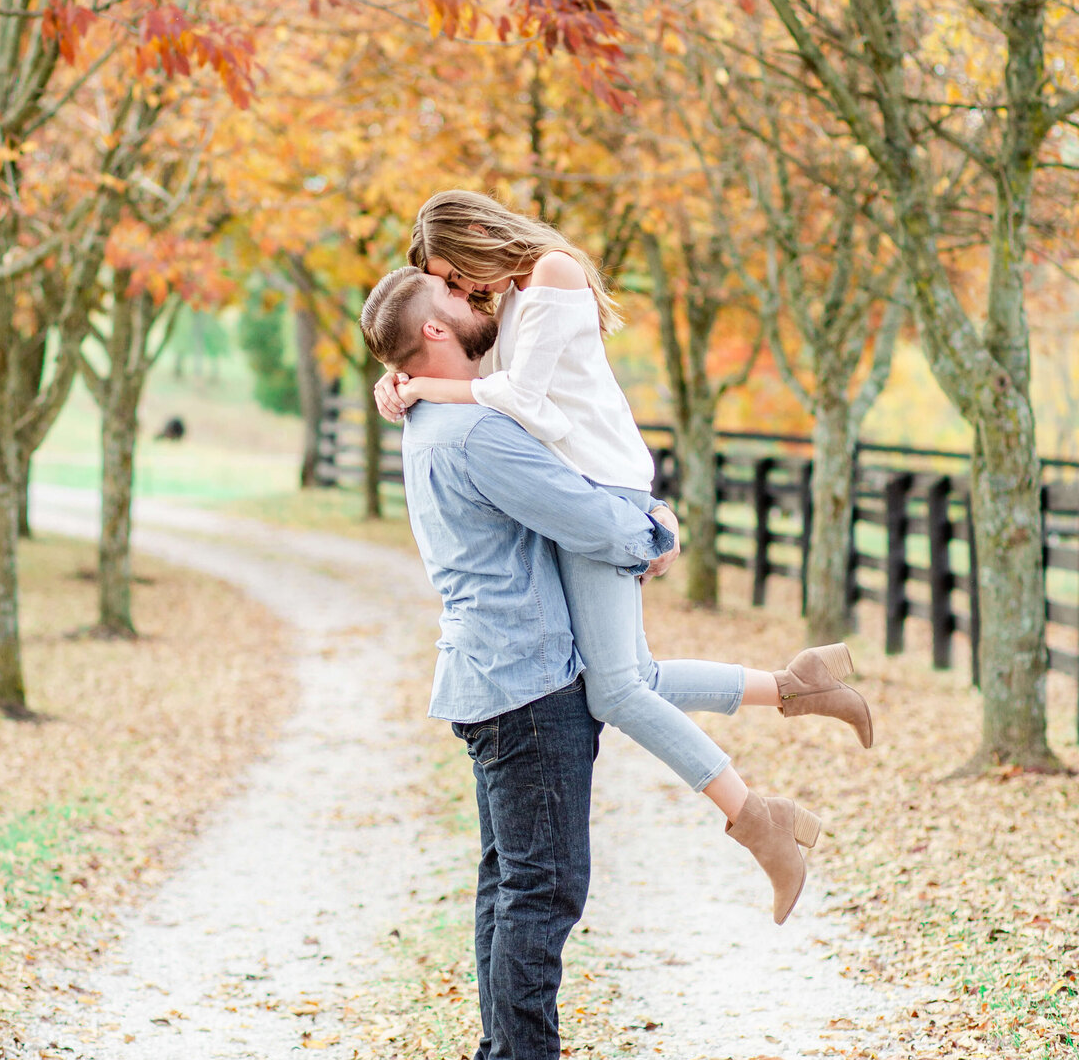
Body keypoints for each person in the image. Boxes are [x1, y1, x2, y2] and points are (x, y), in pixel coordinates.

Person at [374, 189, 873, 926]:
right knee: (627, 678)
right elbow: (469, 360)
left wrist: (425, 385)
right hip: (579, 482)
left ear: (479, 234)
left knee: (614, 691)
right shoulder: (509, 294)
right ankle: (797, 687)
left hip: (600, 485)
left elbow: (525, 400)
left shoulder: (552, 273)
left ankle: (764, 822)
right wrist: (396, 379)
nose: (458, 292)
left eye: (453, 275)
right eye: (447, 286)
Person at [360, 264, 686, 1060]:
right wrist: (655, 533)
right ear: (432, 333)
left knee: (510, 889)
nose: (477, 310)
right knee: (543, 890)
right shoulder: (474, 433)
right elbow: (587, 519)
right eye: (460, 305)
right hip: (530, 685)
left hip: (491, 674)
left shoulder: (433, 416)